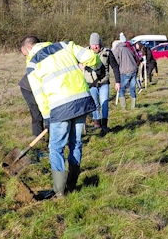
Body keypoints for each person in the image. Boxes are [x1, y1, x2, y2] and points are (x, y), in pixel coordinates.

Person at [20, 35, 100, 197]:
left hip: (60, 106)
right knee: (75, 143)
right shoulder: (65, 45)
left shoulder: (33, 63)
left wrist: (47, 118)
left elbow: (39, 94)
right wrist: (95, 65)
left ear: (29, 49)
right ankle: (71, 184)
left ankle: (59, 191)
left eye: (24, 55)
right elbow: (91, 57)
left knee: (55, 147)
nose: (26, 58)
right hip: (81, 100)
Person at [83, 32, 119, 136]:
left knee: (104, 103)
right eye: (93, 45)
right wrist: (80, 65)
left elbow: (115, 66)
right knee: (94, 104)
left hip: (104, 83)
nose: (95, 47)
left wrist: (118, 82)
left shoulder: (107, 52)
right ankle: (97, 123)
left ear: (100, 44)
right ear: (90, 44)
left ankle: (104, 126)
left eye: (97, 44)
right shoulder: (84, 53)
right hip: (91, 84)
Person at [112, 39, 140, 110]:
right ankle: (133, 107)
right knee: (132, 89)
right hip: (134, 70)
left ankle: (123, 107)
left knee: (121, 89)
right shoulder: (127, 49)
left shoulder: (117, 50)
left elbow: (115, 63)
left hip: (125, 72)